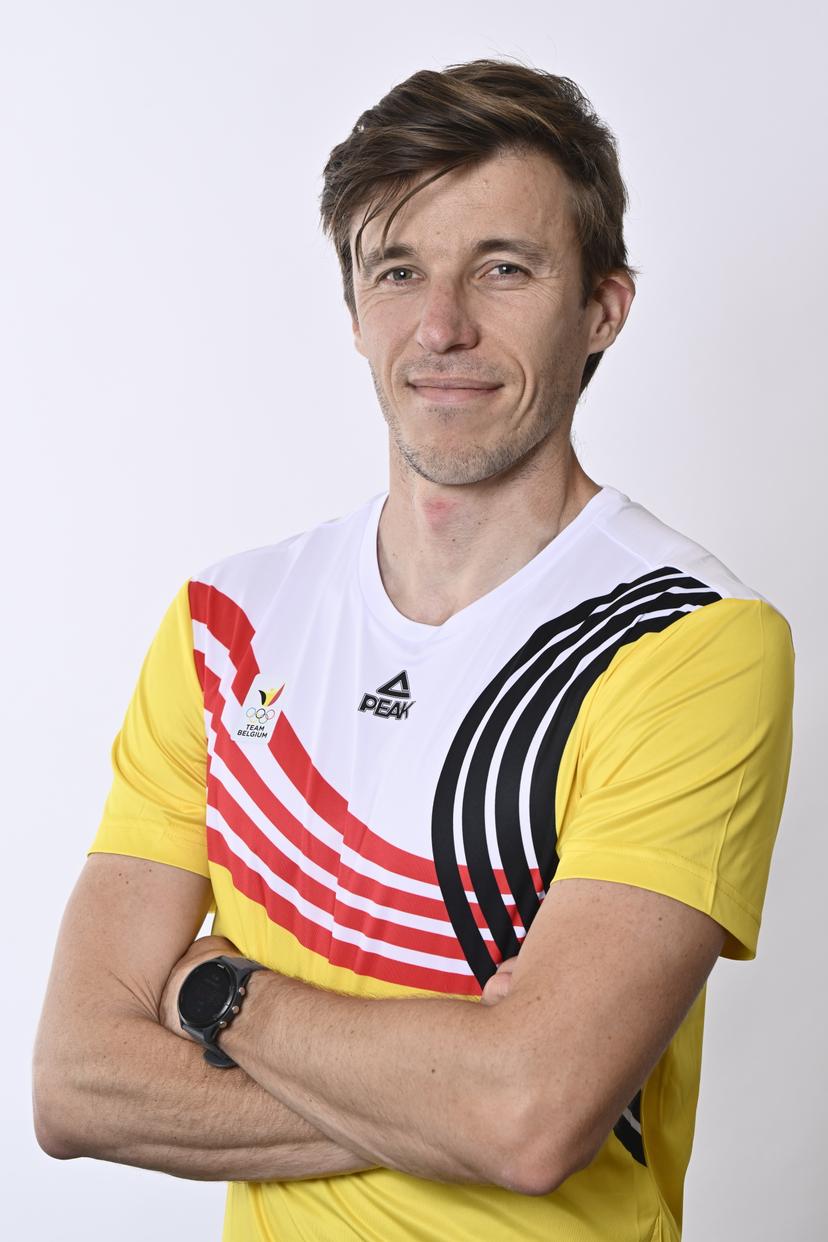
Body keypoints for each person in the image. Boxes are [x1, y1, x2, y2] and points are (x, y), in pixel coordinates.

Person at [32, 57, 795, 1242]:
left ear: (602, 306)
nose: (441, 327)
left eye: (503, 267)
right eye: (398, 272)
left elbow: (534, 1117)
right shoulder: (223, 628)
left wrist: (212, 992)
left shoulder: (691, 642)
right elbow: (76, 1080)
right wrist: (465, 1093)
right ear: (353, 312)